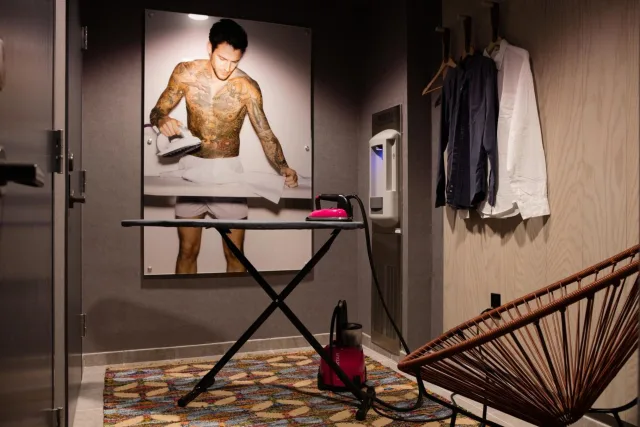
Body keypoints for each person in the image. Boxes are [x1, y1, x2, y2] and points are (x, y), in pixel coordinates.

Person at [149, 18, 298, 274]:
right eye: (222, 58)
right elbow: (157, 111)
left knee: (234, 253)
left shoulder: (247, 87)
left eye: (234, 62)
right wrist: (163, 120)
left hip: (229, 176)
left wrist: (283, 166)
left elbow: (264, 132)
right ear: (210, 47)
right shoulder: (186, 72)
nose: (227, 67)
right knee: (187, 250)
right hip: (191, 173)